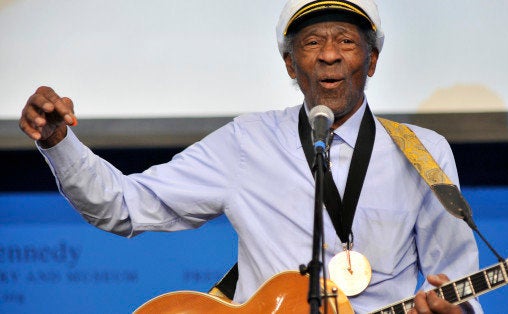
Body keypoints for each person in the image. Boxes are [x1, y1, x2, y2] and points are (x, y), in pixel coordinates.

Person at [19, 0, 482, 313]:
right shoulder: (248, 141)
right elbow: (122, 206)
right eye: (310, 43)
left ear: (372, 60)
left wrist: (453, 307)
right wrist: (59, 141)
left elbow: (460, 284)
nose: (328, 57)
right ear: (289, 64)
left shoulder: (424, 152)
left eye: (345, 40)